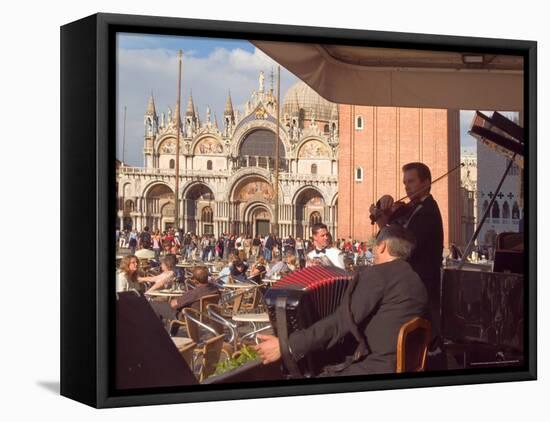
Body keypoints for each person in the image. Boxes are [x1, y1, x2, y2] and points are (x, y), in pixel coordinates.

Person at [255, 225, 429, 376]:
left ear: (382, 246)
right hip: (405, 365)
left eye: (375, 246)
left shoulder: (378, 275)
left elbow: (342, 321)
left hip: (377, 368)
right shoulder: (416, 280)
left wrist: (288, 346)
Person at [369, 162, 444, 366]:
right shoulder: (411, 208)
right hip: (408, 287)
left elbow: (402, 248)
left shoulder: (427, 212)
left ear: (427, 182)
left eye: (411, 181)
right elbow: (391, 227)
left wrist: (384, 222)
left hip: (420, 293)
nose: (407, 187)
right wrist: (383, 204)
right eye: (405, 183)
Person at [149, 266, 219, 335]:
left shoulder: (195, 293)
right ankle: (169, 333)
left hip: (189, 316)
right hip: (208, 315)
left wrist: (173, 301)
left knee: (154, 304)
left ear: (194, 280)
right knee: (165, 307)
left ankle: (156, 334)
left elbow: (173, 304)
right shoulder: (215, 289)